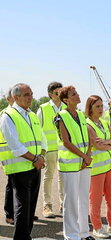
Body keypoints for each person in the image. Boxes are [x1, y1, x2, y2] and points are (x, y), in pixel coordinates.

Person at [0, 83, 46, 240]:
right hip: (19, 168)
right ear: (15, 97)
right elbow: (15, 145)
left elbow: (43, 139)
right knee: (22, 207)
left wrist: (42, 156)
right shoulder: (8, 116)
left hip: (35, 166)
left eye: (31, 94)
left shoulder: (32, 115)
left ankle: (27, 235)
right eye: (27, 94)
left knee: (31, 206)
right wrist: (35, 159)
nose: (31, 97)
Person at [55, 86, 94, 240]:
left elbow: (89, 137)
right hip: (70, 164)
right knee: (70, 201)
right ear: (66, 100)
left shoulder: (81, 115)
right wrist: (84, 156)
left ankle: (84, 233)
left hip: (85, 163)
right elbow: (66, 142)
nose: (78, 95)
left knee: (84, 199)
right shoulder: (61, 116)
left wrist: (88, 155)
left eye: (77, 93)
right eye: (74, 94)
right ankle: (71, 236)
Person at [85, 95, 111, 238]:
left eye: (102, 106)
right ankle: (97, 227)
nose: (101, 109)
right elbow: (98, 145)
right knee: (95, 200)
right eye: (97, 106)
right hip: (96, 168)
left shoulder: (104, 122)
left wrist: (107, 142)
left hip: (110, 166)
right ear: (90, 108)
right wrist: (110, 143)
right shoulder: (88, 124)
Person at [37, 81, 66, 218]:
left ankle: (64, 204)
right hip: (49, 150)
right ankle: (47, 206)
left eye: (61, 92)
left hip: (65, 149)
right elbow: (38, 131)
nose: (59, 95)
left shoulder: (66, 107)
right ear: (50, 94)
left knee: (63, 178)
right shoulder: (43, 109)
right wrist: (40, 152)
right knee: (48, 177)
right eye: (56, 93)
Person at [1, 87, 15, 225]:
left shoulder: (22, 113)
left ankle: (21, 213)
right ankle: (10, 214)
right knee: (11, 185)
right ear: (9, 98)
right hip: (10, 157)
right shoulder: (5, 113)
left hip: (22, 157)